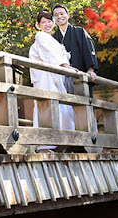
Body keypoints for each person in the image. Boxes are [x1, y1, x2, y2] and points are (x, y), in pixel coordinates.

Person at [29, 11, 76, 150]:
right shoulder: (40, 37)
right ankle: (47, 142)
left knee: (59, 105)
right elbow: (49, 54)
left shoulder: (52, 39)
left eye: (49, 21)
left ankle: (63, 139)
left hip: (53, 76)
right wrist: (65, 66)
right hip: (45, 78)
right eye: (43, 22)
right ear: (38, 25)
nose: (47, 24)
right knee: (48, 106)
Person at [51, 4, 98, 96]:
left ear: (68, 15)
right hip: (61, 78)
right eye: (56, 15)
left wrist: (91, 69)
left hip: (79, 74)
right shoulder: (53, 37)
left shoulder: (79, 32)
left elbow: (88, 50)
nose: (59, 17)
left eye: (61, 14)